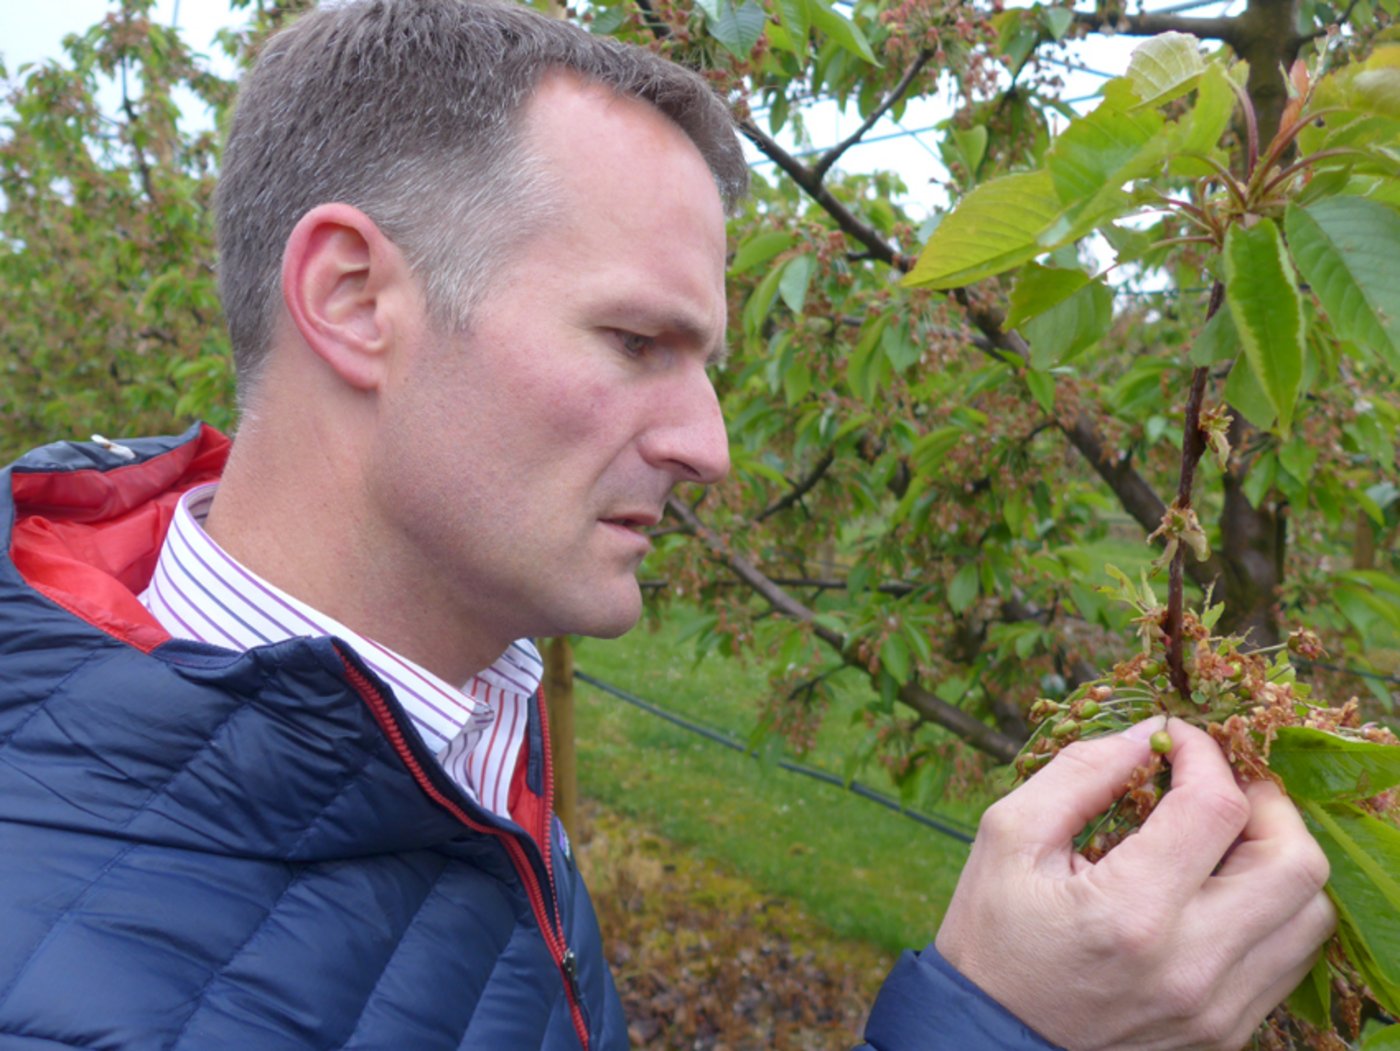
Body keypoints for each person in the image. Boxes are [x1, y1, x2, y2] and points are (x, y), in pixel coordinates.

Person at [0, 1, 1334, 1048]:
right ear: (354, 300)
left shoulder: (447, 723)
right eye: (638, 340)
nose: (711, 448)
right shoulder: (57, 970)